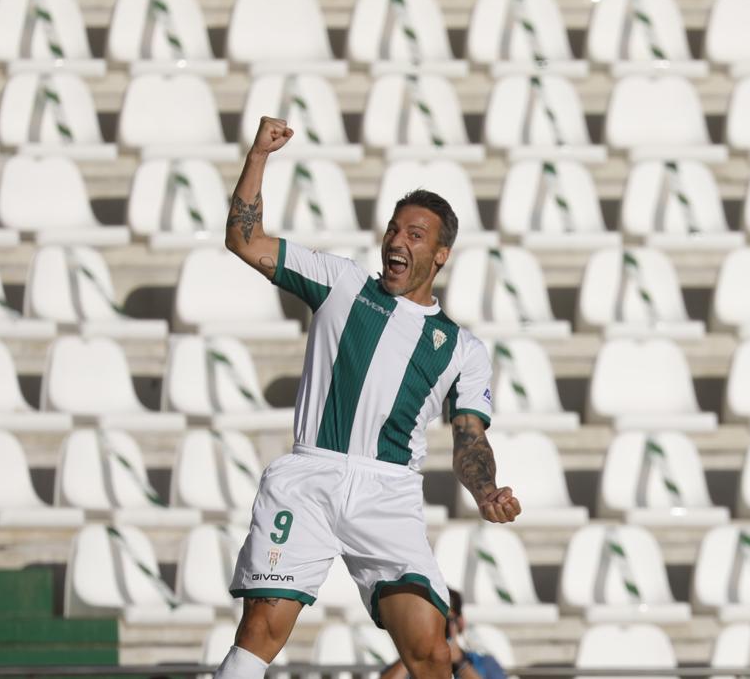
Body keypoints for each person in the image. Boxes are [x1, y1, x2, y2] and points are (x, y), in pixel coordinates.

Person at [213, 117, 522, 679]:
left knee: (431, 652)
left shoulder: (461, 348)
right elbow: (244, 239)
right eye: (394, 230)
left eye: (415, 235)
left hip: (388, 493)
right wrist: (258, 155)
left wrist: (485, 489)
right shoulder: (341, 282)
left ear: (441, 254)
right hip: (311, 476)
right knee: (260, 629)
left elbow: (469, 438)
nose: (398, 242)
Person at [380, 589, 507, 679]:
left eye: (445, 621)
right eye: (433, 622)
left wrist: (459, 663)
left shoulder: (484, 663)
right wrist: (414, 653)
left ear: (460, 622)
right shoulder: (409, 662)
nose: (439, 628)